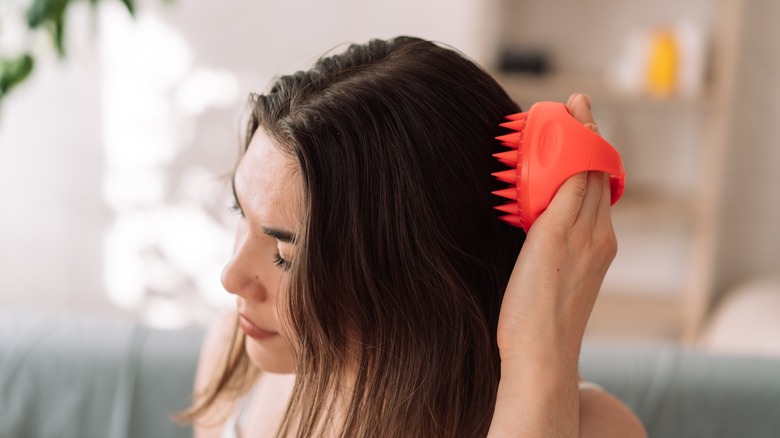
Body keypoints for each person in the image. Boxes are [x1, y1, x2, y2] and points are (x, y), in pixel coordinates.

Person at [181, 36, 647, 437]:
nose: (232, 277)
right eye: (238, 212)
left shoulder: (594, 429)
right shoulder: (235, 360)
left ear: (414, 277)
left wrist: (539, 352)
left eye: (285, 255)